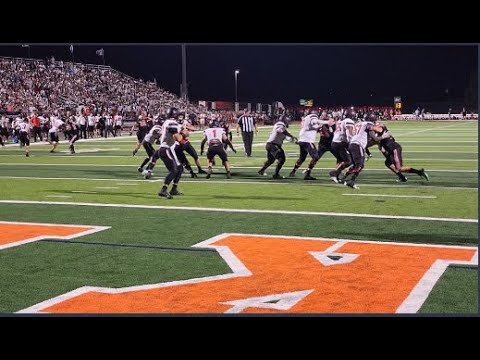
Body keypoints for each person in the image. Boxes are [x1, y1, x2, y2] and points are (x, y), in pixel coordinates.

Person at [370, 117, 429, 183]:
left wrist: (370, 128)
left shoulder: (379, 128)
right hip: (390, 150)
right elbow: (381, 147)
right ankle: (402, 178)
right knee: (388, 162)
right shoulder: (379, 135)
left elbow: (380, 129)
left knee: (399, 168)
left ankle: (419, 172)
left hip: (394, 149)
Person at [142, 108, 185, 199]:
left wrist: (183, 131)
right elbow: (176, 136)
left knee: (180, 168)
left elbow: (182, 132)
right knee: (173, 170)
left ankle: (174, 189)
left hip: (167, 148)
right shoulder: (171, 122)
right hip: (166, 149)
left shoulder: (169, 122)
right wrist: (182, 139)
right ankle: (163, 190)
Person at [289, 109, 333, 180]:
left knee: (302, 158)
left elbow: (312, 127)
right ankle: (307, 173)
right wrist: (327, 122)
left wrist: (320, 128)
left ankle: (293, 171)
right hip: (307, 141)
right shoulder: (313, 117)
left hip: (302, 140)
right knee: (315, 157)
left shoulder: (306, 119)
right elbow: (315, 121)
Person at [257, 115, 297, 179]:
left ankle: (261, 171)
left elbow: (287, 137)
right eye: (287, 121)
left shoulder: (284, 128)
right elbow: (280, 130)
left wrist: (297, 142)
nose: (288, 122)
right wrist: (291, 135)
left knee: (271, 160)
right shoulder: (280, 124)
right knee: (282, 159)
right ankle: (276, 174)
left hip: (270, 145)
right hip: (273, 145)